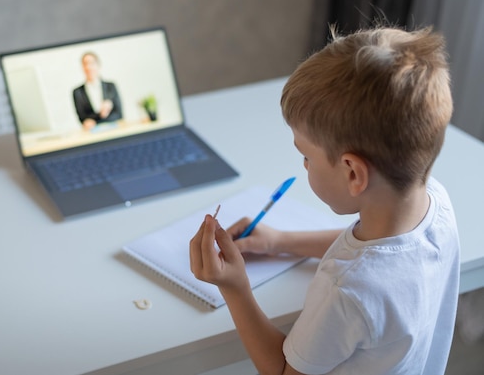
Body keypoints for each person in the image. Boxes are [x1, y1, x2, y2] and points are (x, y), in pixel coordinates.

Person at [189, 26, 459, 375]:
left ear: (353, 173)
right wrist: (281, 242)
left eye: (306, 157)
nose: (303, 165)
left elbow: (283, 371)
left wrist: (235, 288)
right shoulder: (435, 202)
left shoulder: (344, 292)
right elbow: (376, 252)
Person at [73, 52, 123, 130]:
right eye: (85, 64)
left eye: (92, 63)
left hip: (114, 130)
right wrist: (101, 114)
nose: (88, 67)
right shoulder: (77, 92)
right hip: (92, 133)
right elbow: (83, 119)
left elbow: (119, 114)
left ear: (98, 65)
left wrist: (95, 120)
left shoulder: (110, 86)